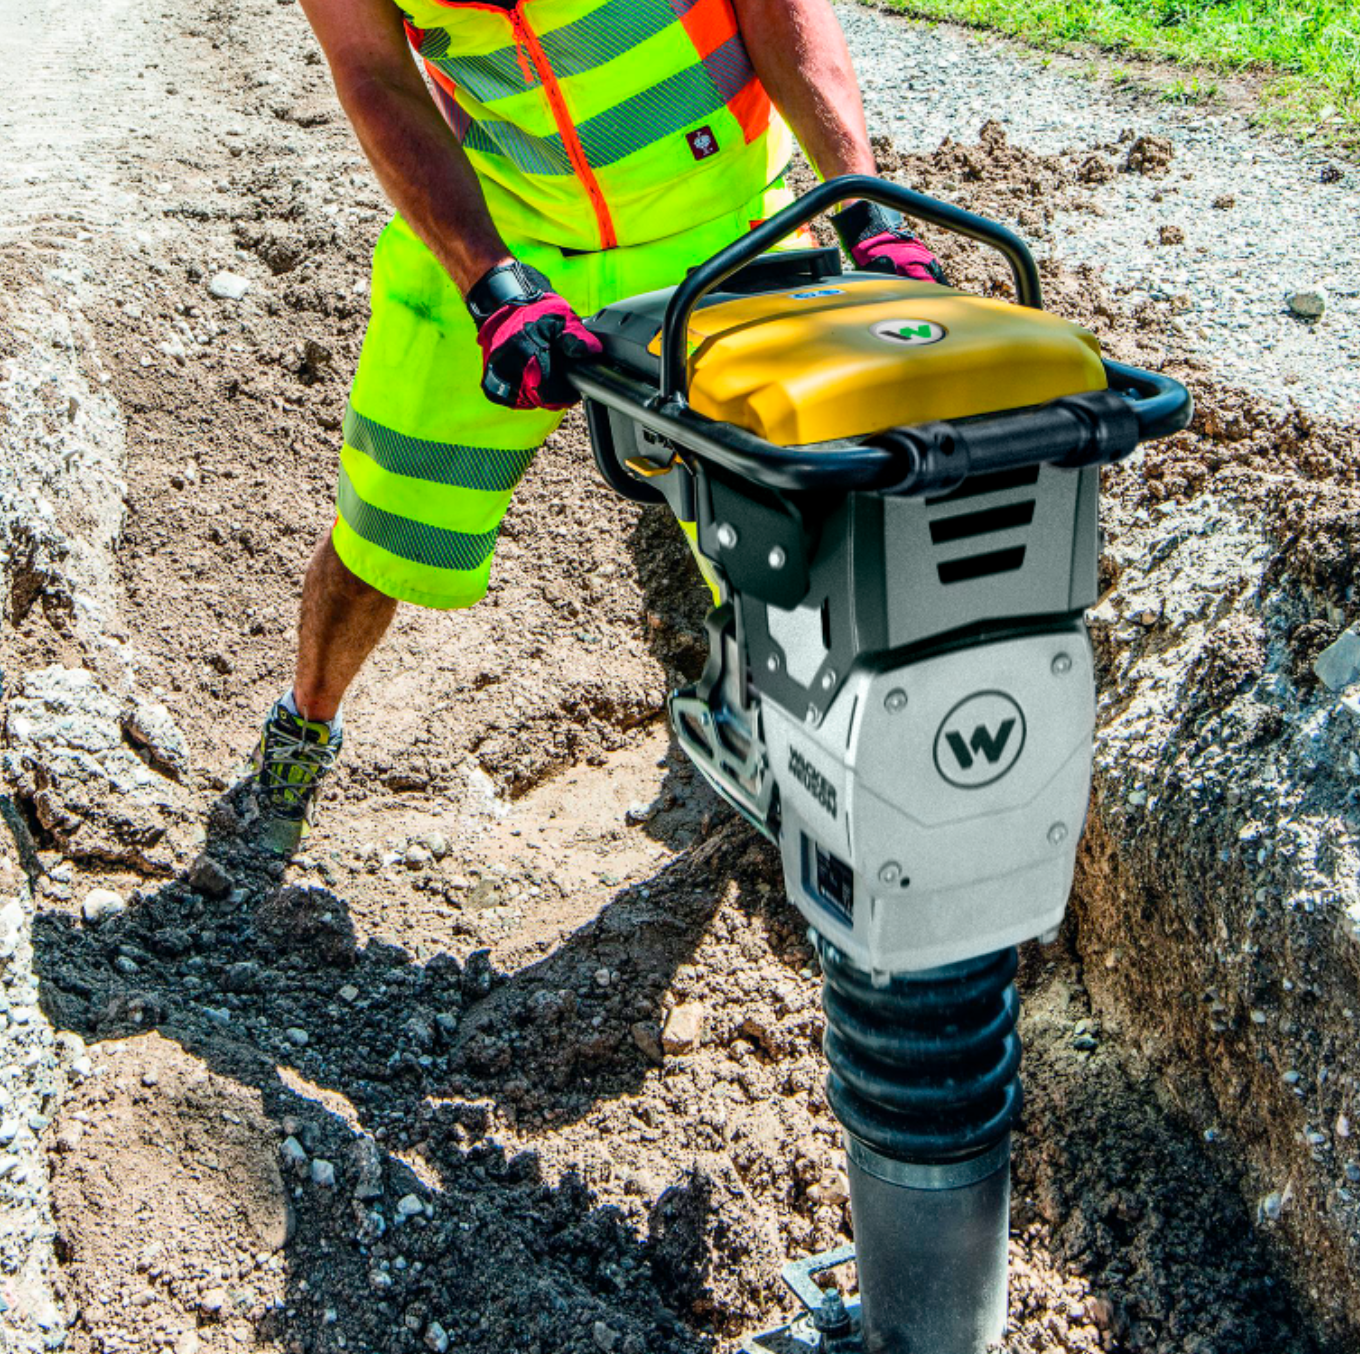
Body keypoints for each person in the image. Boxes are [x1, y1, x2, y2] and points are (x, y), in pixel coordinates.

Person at [252, 0, 945, 852]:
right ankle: (306, 719)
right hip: (505, 231)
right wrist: (486, 279)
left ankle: (819, 781)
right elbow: (373, 73)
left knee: (793, 547)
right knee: (380, 536)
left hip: (719, 230)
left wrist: (865, 204)